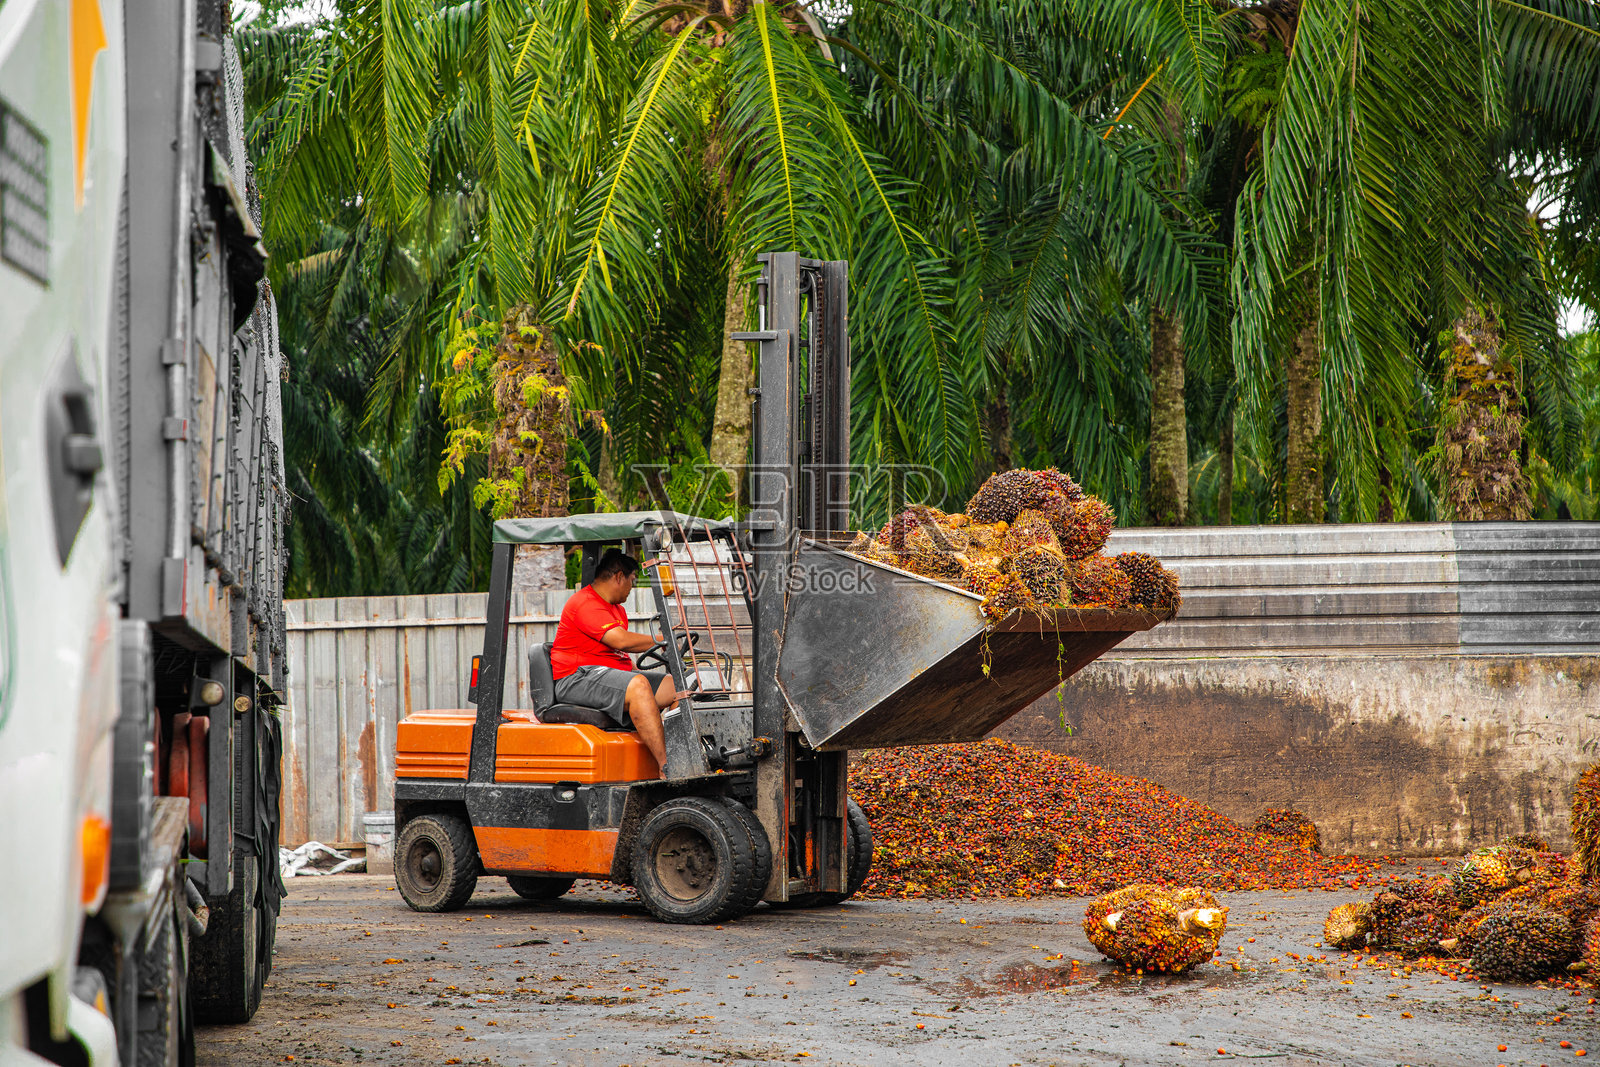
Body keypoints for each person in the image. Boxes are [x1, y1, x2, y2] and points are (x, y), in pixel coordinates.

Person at [548, 548, 676, 768]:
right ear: (619, 577)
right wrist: (666, 640)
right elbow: (621, 641)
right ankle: (667, 767)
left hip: (603, 675)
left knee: (678, 686)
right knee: (638, 685)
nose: (632, 588)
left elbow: (618, 652)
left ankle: (681, 754)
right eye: (632, 581)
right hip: (576, 678)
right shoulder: (585, 603)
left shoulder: (616, 609)